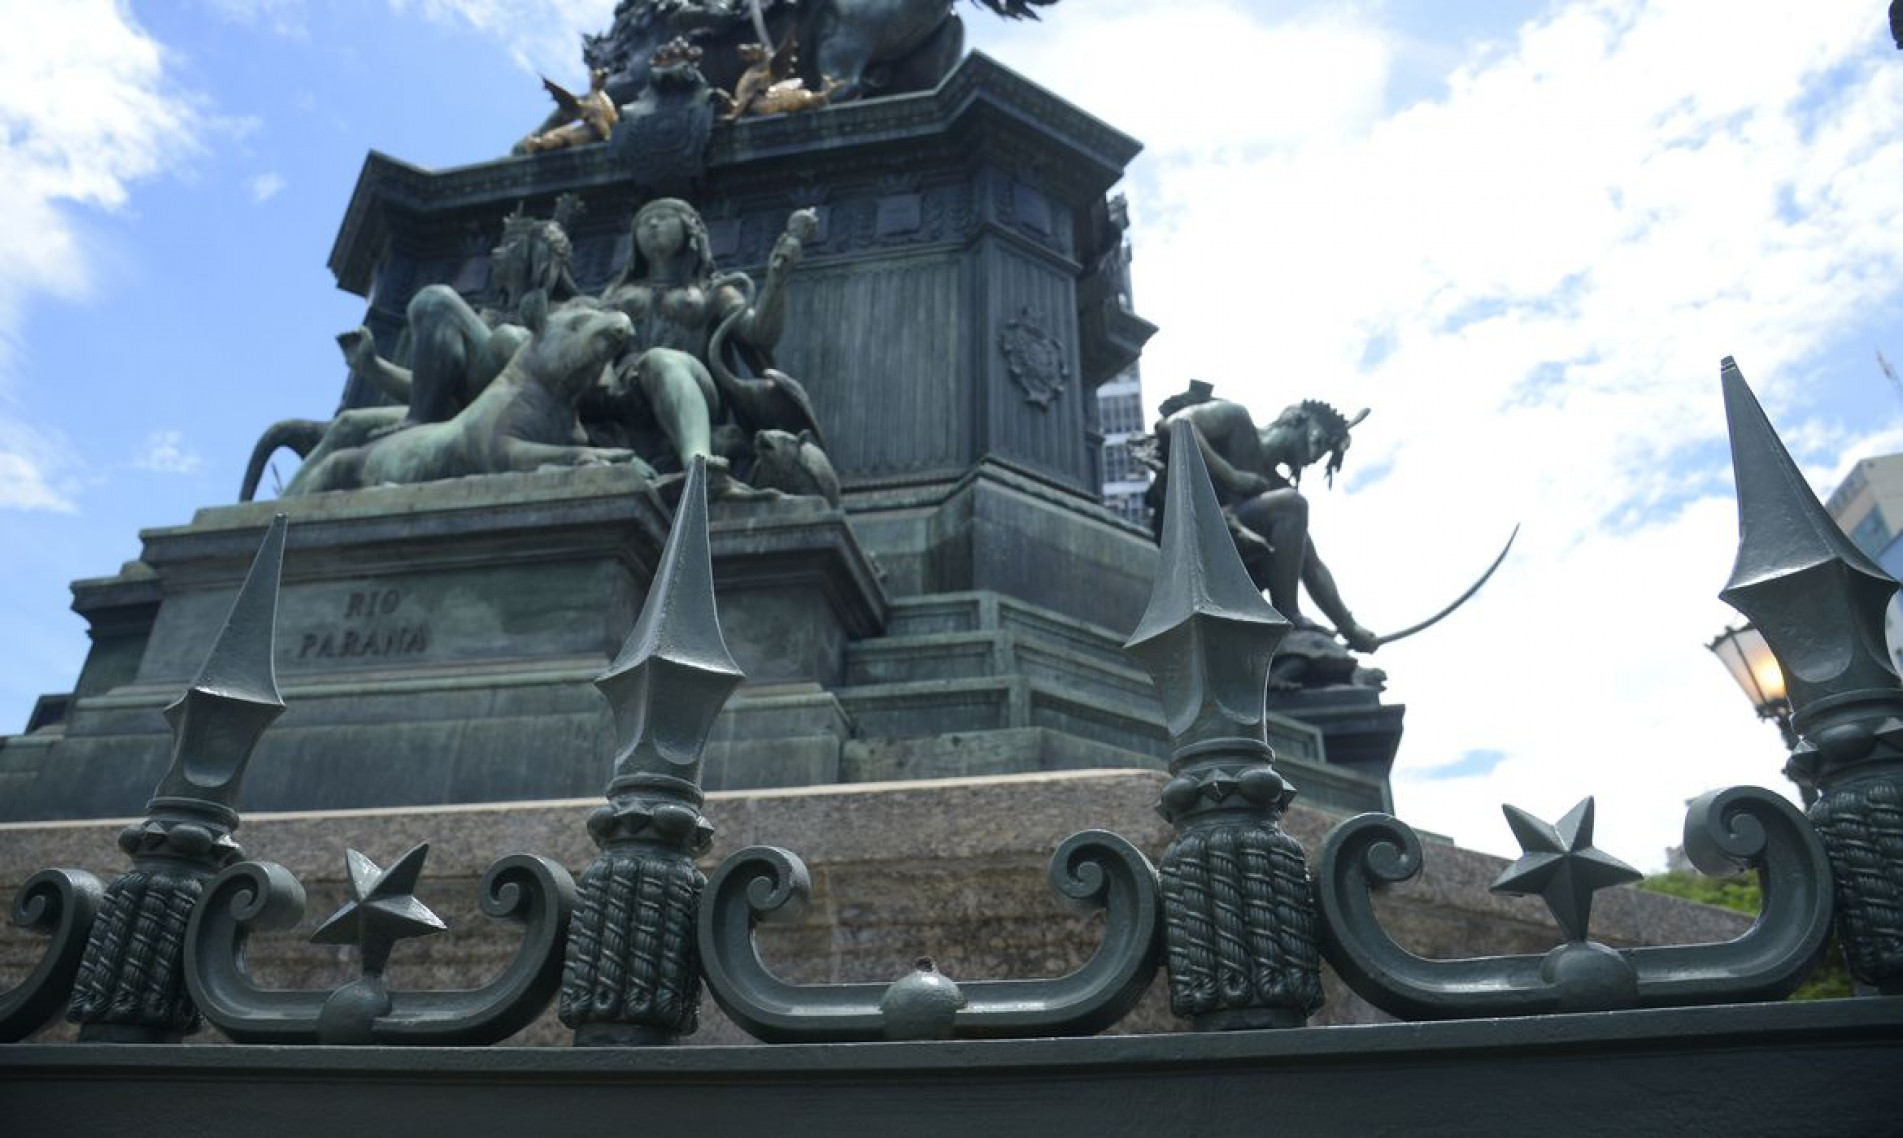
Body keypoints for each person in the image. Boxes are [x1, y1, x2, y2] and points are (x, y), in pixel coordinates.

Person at [597, 197, 817, 475]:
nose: (652, 224)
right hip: (627, 392)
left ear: (690, 230)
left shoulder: (714, 289)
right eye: (643, 222)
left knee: (661, 361)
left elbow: (759, 334)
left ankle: (698, 460)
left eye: (664, 217)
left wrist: (777, 280)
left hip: (694, 385)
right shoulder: (617, 293)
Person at [1150, 388, 1380, 653]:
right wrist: (1232, 476)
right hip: (1190, 537)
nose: (1316, 458)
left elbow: (1312, 566)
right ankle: (1288, 614)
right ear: (1298, 421)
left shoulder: (1275, 488)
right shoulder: (1236, 419)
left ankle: (1287, 622)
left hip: (1229, 551)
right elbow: (1176, 426)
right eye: (1319, 443)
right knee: (1291, 504)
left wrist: (1350, 627)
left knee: (1293, 515)